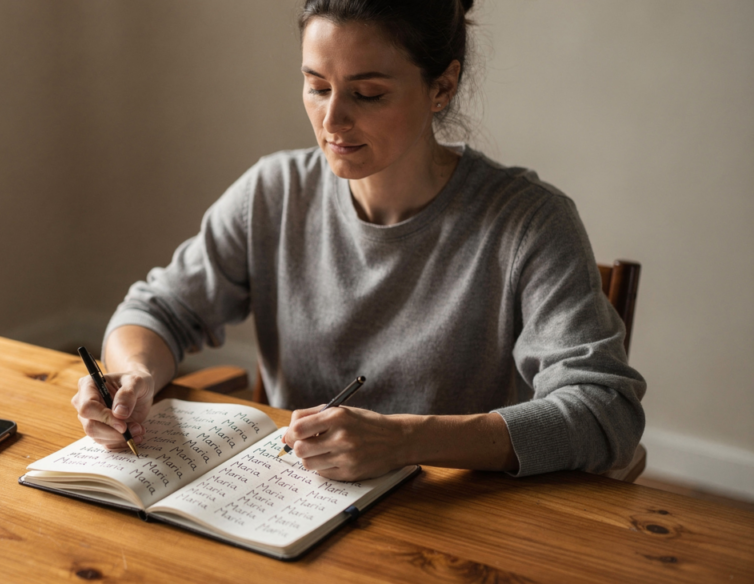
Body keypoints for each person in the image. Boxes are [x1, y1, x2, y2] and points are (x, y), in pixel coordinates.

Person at [72, 0, 646, 482]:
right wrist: (133, 376)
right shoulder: (274, 193)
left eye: (368, 94)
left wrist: (406, 441)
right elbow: (156, 310)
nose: (333, 120)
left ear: (441, 86)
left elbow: (605, 411)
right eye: (317, 87)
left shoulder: (529, 222)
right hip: (292, 505)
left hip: (456, 526)